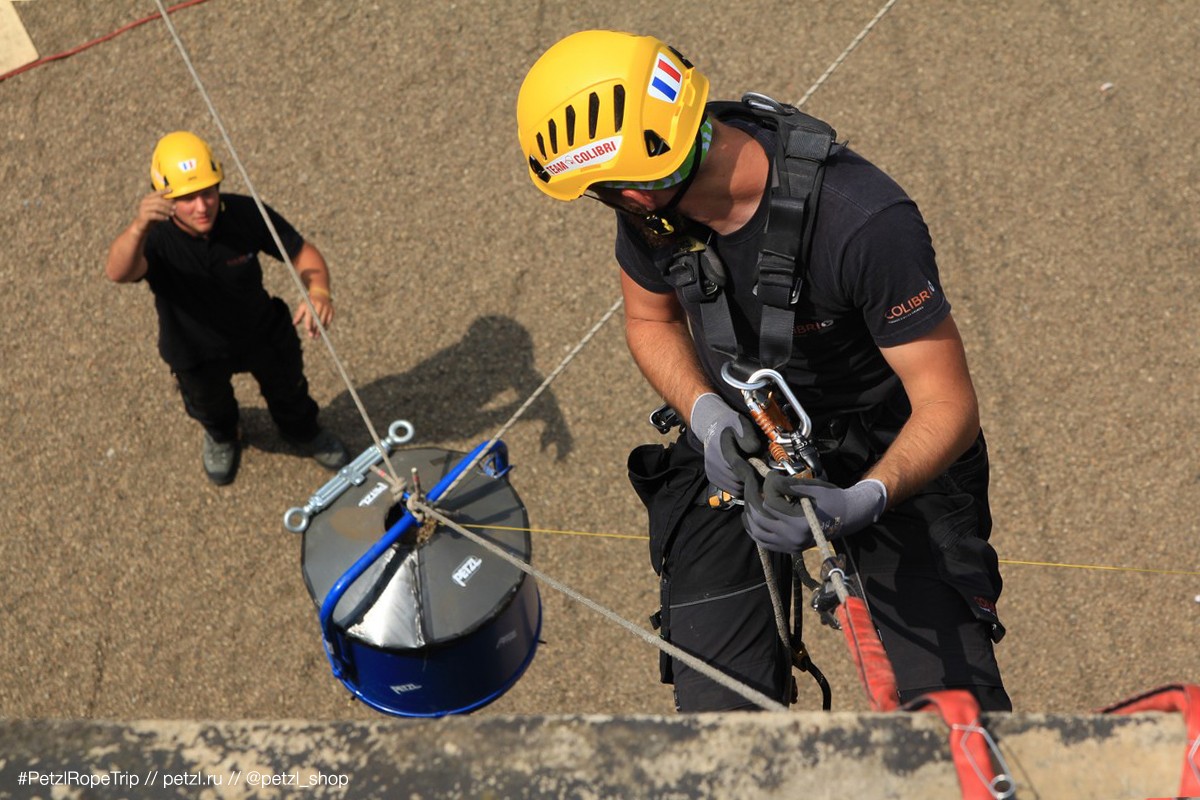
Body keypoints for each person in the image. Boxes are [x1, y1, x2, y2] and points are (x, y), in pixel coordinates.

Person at [517, 31, 1009, 712]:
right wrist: (706, 414)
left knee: (950, 723)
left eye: (603, 193)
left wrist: (863, 499)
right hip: (740, 444)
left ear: (639, 183)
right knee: (721, 724)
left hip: (888, 451)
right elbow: (650, 321)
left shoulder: (863, 224)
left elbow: (948, 405)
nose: (608, 205)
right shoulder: (654, 211)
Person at [105, 130, 350, 486]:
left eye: (207, 192)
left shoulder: (245, 213)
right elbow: (118, 272)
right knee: (209, 406)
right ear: (164, 197)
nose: (202, 206)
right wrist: (139, 225)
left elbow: (300, 251)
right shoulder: (153, 239)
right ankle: (223, 435)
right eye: (187, 198)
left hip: (260, 332)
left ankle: (301, 430)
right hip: (195, 350)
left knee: (290, 390)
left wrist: (320, 291)